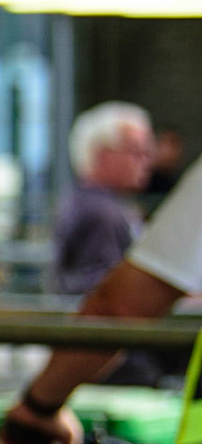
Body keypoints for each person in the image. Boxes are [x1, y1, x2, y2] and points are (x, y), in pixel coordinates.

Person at [0, 154, 202, 444]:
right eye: (131, 149)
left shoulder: (94, 207)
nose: (146, 157)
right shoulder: (103, 213)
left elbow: (119, 309)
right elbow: (117, 306)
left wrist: (39, 405)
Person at [53, 101, 156, 298]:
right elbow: (103, 291)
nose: (146, 162)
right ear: (103, 153)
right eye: (136, 152)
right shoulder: (101, 212)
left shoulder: (90, 201)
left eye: (148, 153)